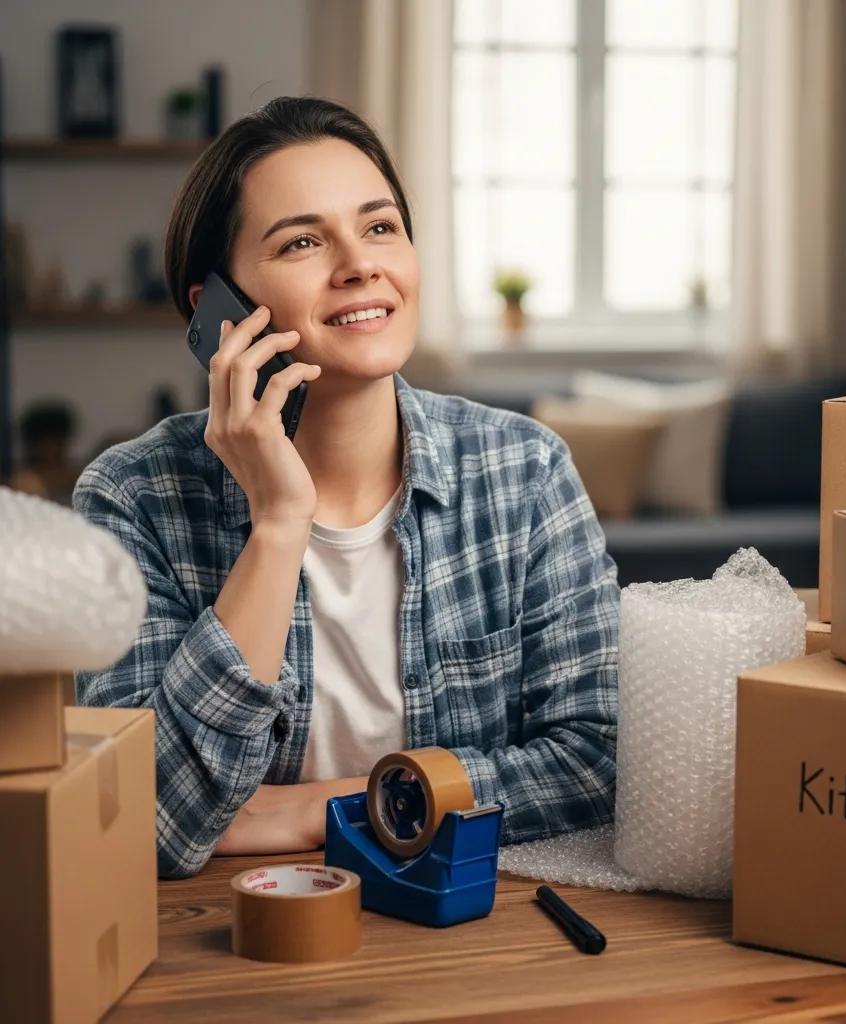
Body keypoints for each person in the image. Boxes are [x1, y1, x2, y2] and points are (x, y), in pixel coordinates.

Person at [72, 97, 619, 879]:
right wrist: (278, 523)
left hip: (483, 930)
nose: (361, 264)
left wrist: (320, 807)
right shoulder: (131, 500)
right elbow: (143, 818)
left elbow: (597, 767)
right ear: (217, 314)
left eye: (380, 226)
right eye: (301, 241)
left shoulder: (523, 471)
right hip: (237, 940)